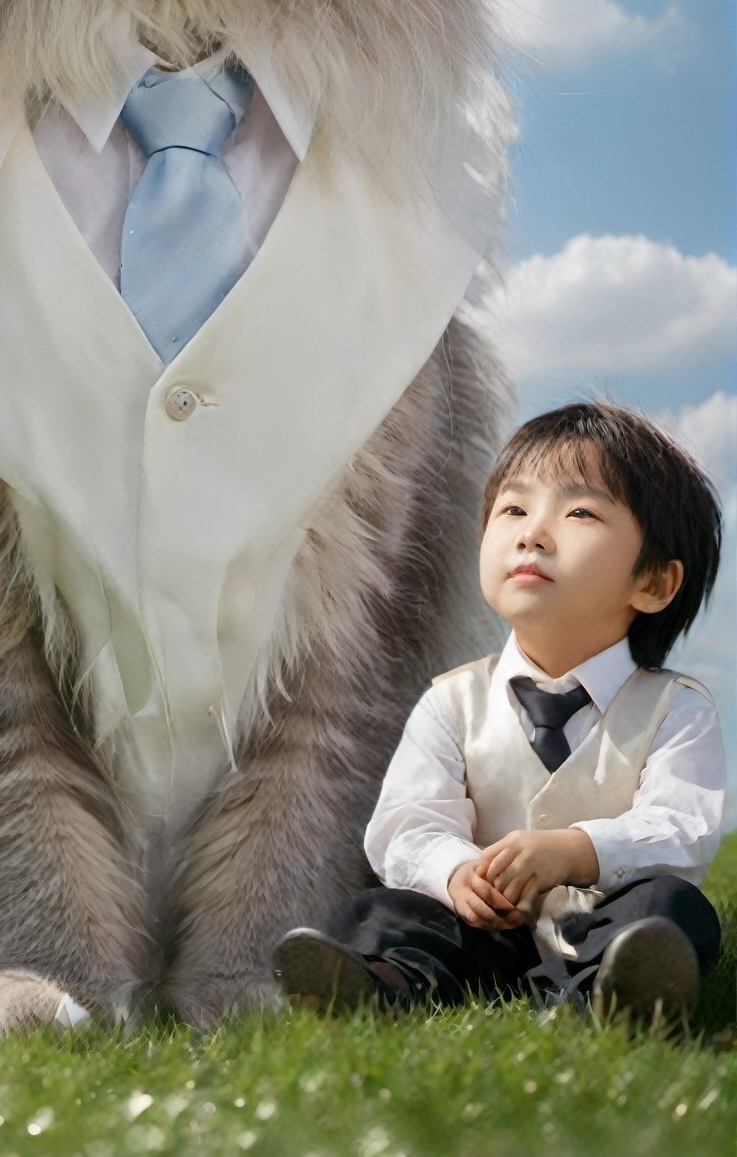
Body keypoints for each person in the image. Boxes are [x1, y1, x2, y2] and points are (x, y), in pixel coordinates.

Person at [272, 402, 726, 1023]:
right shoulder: (451, 700)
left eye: (580, 513)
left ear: (652, 584)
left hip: (597, 918)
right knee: (378, 911)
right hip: (477, 929)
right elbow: (407, 823)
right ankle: (380, 984)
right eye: (513, 509)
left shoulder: (677, 710)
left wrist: (575, 851)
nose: (532, 533)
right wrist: (457, 872)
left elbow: (683, 830)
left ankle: (610, 989)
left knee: (672, 908)